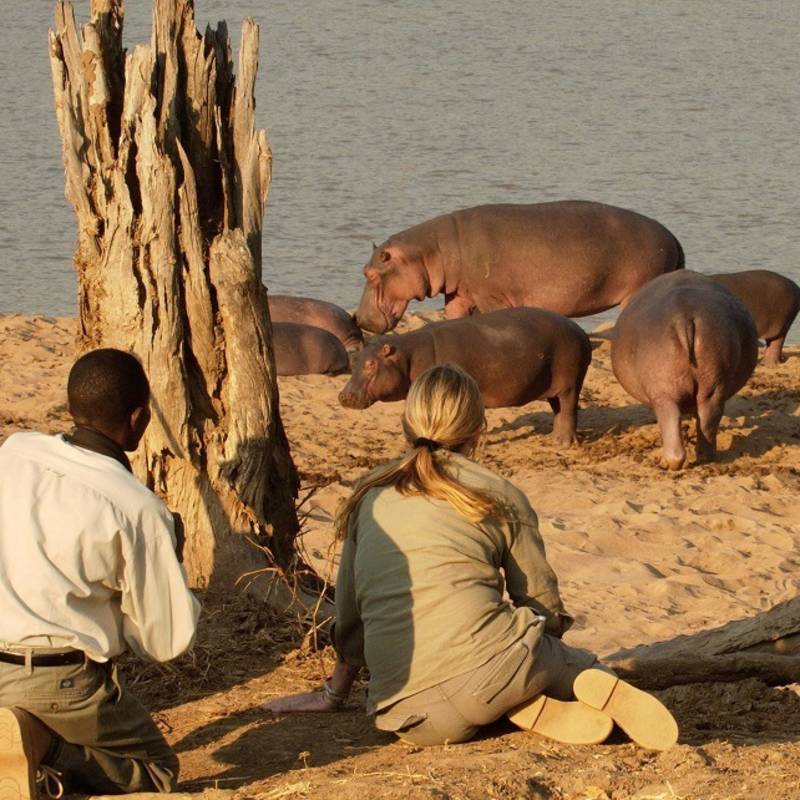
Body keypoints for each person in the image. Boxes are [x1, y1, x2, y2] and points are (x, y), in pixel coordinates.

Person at [264, 364, 678, 750]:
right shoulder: (497, 493)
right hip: (495, 666)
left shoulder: (368, 496)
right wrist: (551, 653)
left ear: (407, 423)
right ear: (478, 428)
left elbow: (351, 614)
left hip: (407, 716)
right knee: (579, 668)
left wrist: (334, 693)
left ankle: (509, 704)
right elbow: (539, 599)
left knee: (478, 685)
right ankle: (535, 690)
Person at [0, 348, 201, 798]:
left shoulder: (14, 452)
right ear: (139, 419)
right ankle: (47, 751)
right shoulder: (137, 508)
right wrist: (172, 558)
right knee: (158, 772)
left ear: (71, 407)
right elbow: (165, 642)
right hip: (57, 680)